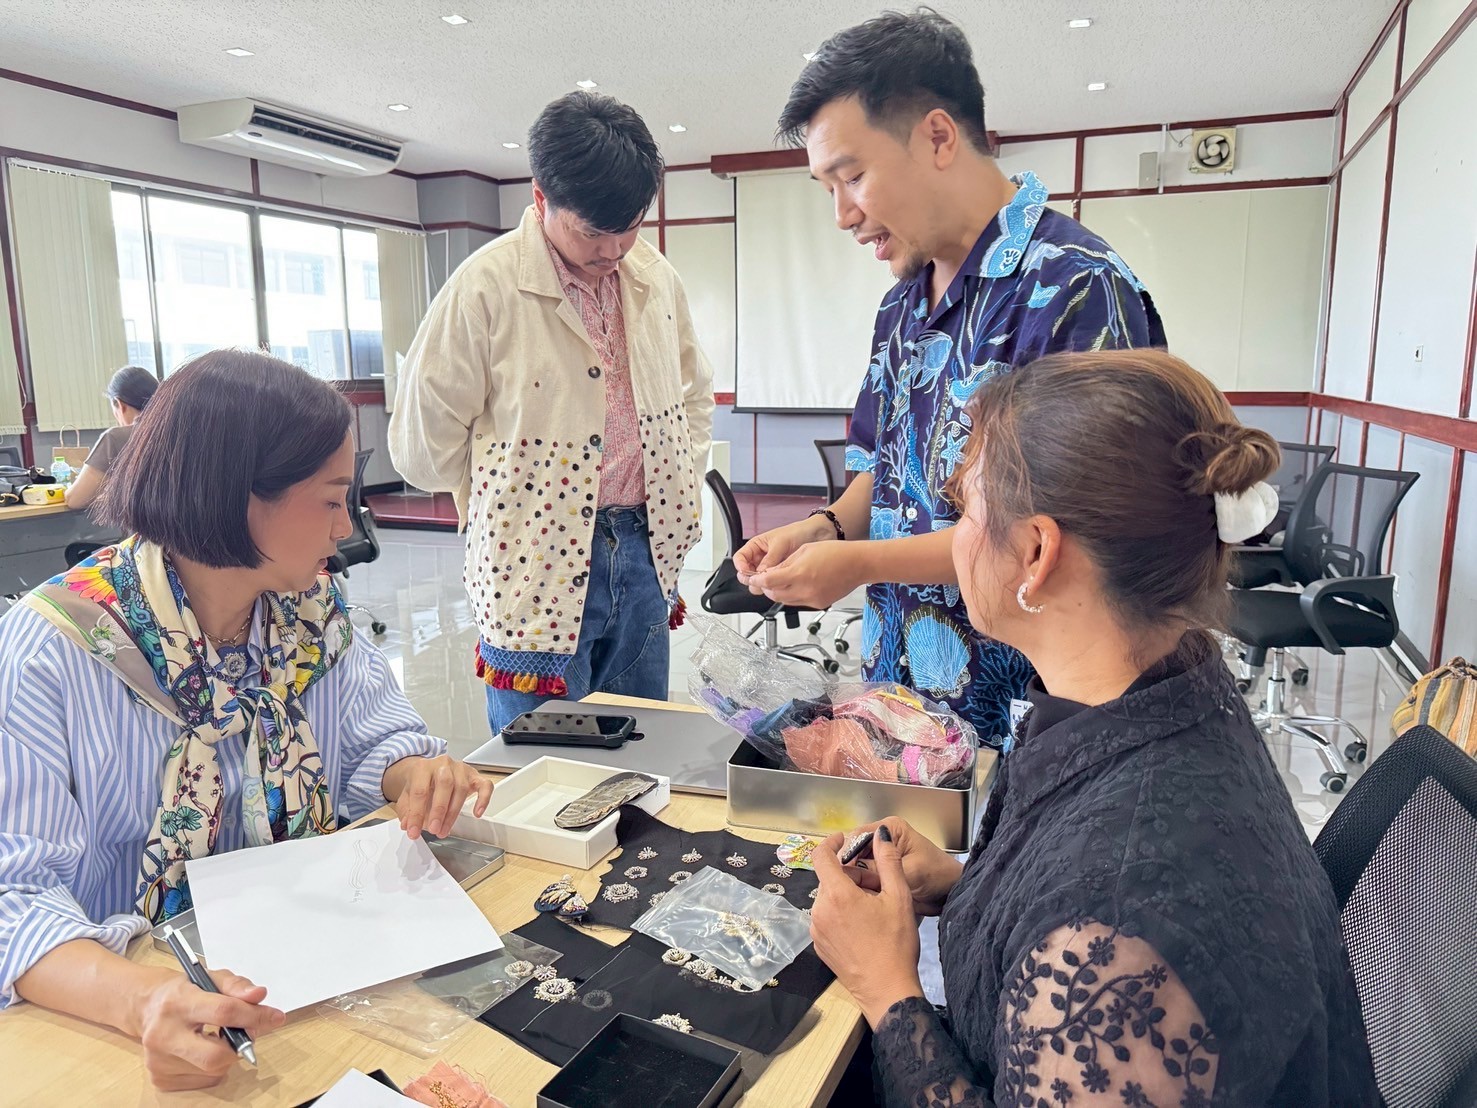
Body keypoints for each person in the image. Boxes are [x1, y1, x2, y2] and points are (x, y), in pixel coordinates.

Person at [806, 350, 1379, 1105]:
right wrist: (967, 887)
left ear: (1037, 553)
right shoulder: (1172, 686)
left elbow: (1102, 900)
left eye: (966, 511)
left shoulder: (1111, 945)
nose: (958, 538)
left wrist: (884, 987)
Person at [0, 350, 493, 1092]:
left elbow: (375, 740)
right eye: (330, 500)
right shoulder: (56, 648)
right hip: (126, 1018)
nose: (345, 526)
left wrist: (414, 773)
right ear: (238, 497)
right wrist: (143, 1001)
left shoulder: (307, 616)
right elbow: (13, 898)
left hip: (309, 973)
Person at [737, 11, 1167, 746]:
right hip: (901, 704)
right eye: (826, 188)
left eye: (853, 177)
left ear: (938, 137)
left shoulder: (1076, 289)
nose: (842, 215)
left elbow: (1057, 538)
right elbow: (883, 470)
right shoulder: (902, 306)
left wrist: (857, 564)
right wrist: (822, 530)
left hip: (1031, 717)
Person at [391, 91, 714, 737]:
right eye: (593, 231)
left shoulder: (655, 276)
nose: (614, 249)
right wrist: (509, 487)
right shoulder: (484, 286)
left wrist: (676, 471)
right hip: (532, 558)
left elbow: (693, 393)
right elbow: (422, 447)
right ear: (541, 199)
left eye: (630, 227)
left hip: (646, 546)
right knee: (542, 761)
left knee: (642, 745)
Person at [63, 363, 159, 511]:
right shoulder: (180, 431)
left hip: (145, 525)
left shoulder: (116, 438)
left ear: (120, 404)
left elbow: (75, 499)